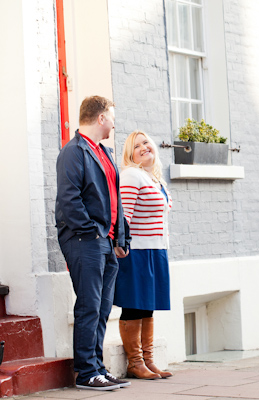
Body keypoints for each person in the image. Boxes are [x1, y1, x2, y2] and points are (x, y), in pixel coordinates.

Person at [55, 96, 132, 391]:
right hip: (85, 240)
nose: (113, 122)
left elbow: (116, 199)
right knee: (89, 305)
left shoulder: (105, 152)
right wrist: (94, 233)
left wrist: (120, 237)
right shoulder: (73, 152)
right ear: (100, 118)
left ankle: (97, 366)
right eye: (111, 116)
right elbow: (69, 199)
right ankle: (86, 373)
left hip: (107, 241)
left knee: (101, 308)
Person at [114, 130, 173, 379]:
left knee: (148, 306)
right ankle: (135, 363)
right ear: (130, 154)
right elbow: (123, 216)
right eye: (136, 146)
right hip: (136, 251)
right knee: (133, 306)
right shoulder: (131, 175)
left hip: (156, 248)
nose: (143, 148)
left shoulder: (154, 178)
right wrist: (121, 245)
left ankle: (147, 360)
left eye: (146, 142)